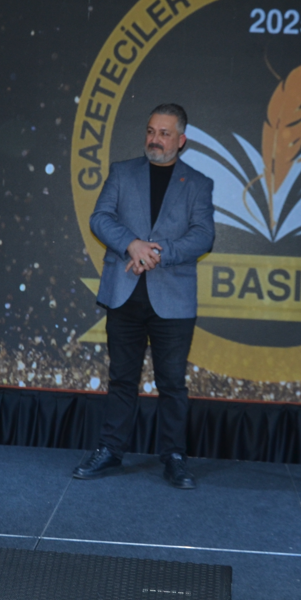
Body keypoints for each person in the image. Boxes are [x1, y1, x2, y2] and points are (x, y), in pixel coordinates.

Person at [74, 103, 215, 489]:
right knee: (121, 378)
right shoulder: (122, 172)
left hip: (173, 299)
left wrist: (156, 253)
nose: (155, 139)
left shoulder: (198, 183)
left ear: (181, 140)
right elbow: (100, 218)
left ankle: (174, 456)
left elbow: (203, 236)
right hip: (125, 294)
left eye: (164, 133)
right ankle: (110, 449)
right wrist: (132, 244)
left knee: (172, 383)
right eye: (151, 131)